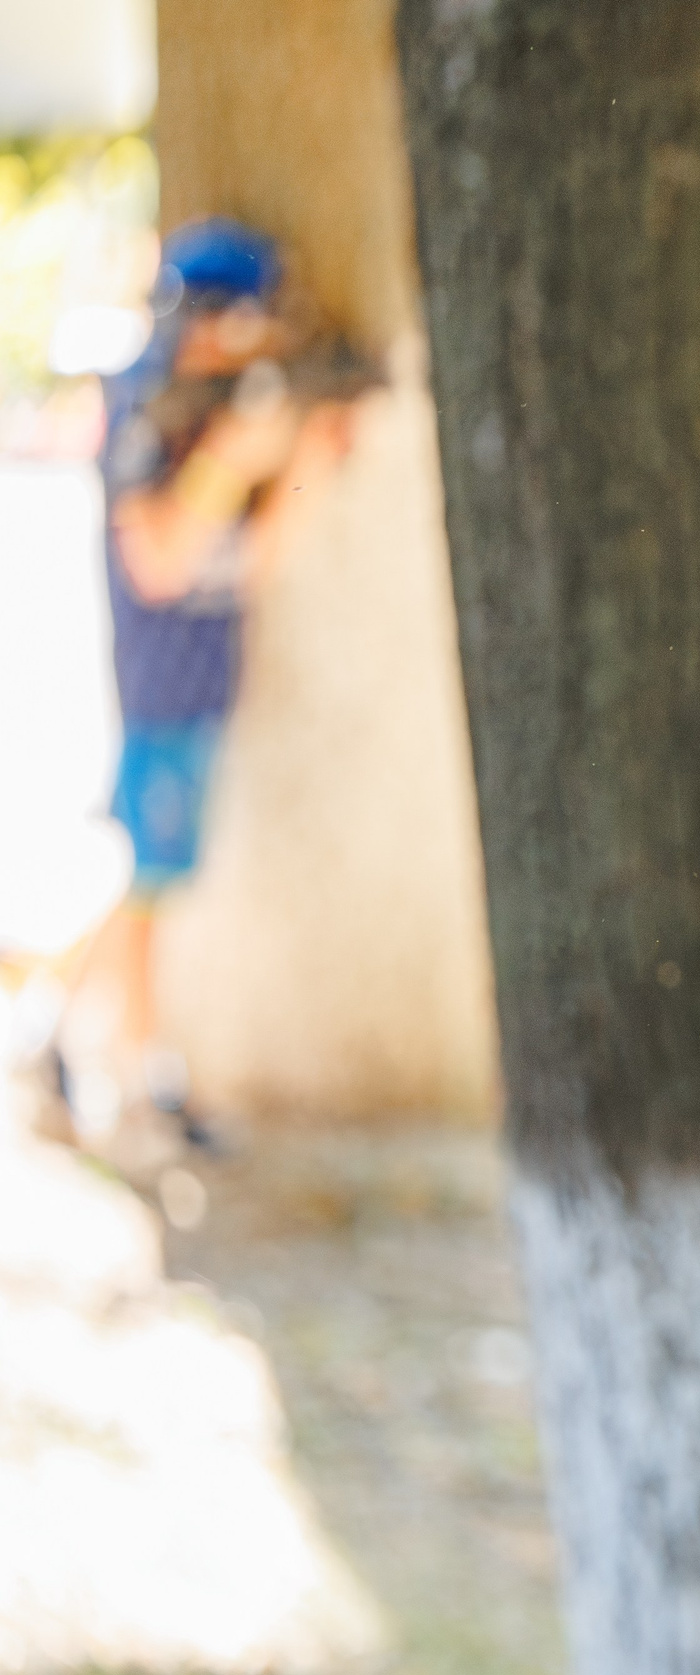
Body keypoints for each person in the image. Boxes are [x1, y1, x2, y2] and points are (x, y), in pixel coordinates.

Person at [47, 217, 351, 1155]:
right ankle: (58, 1040)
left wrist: (300, 461)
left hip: (200, 678)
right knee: (144, 874)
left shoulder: (202, 401)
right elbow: (161, 560)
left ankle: (134, 1069)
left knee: (154, 878)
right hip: (162, 684)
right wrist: (235, 461)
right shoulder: (148, 403)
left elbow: (250, 562)